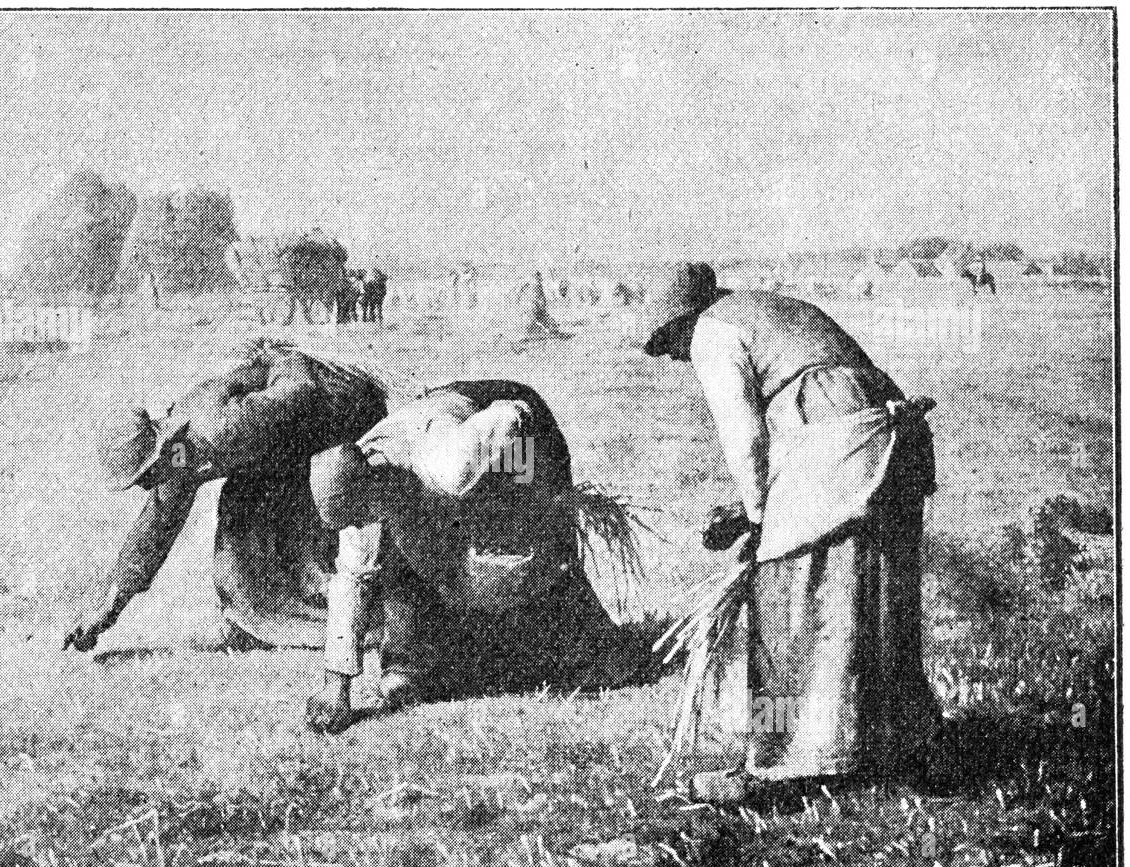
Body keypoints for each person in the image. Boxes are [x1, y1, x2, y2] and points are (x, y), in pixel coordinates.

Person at [641, 263, 941, 793]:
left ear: (681, 323)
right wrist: (752, 508)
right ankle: (894, 747)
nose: (671, 356)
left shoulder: (714, 331)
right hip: (891, 447)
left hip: (843, 448)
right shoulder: (769, 310)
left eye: (668, 341)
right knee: (873, 597)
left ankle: (784, 762)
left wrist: (757, 517)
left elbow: (747, 440)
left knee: (784, 602)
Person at [304, 380, 632, 733]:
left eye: (358, 517)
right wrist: (335, 688)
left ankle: (599, 649)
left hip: (517, 426)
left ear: (375, 486)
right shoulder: (362, 488)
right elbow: (353, 579)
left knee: (516, 561)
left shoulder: (447, 462)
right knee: (386, 554)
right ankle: (410, 665)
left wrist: (527, 495)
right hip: (444, 428)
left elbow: (513, 414)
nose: (355, 527)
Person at [63, 345, 387, 654]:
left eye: (142, 475)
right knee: (235, 565)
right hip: (275, 455)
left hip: (336, 422)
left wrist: (271, 362)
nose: (145, 486)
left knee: (313, 550)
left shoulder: (219, 428)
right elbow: (156, 527)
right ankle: (270, 625)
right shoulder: (178, 455)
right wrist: (106, 609)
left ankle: (368, 621)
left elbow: (301, 388)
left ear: (157, 451)